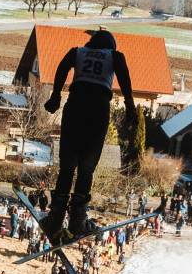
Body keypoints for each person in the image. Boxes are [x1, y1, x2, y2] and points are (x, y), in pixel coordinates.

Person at [39, 29, 136, 242]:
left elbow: (62, 67)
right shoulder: (115, 56)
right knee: (86, 168)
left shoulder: (77, 52)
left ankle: (55, 218)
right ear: (111, 46)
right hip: (98, 110)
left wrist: (56, 95)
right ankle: (77, 220)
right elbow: (125, 78)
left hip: (75, 106)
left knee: (67, 165)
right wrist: (130, 108)